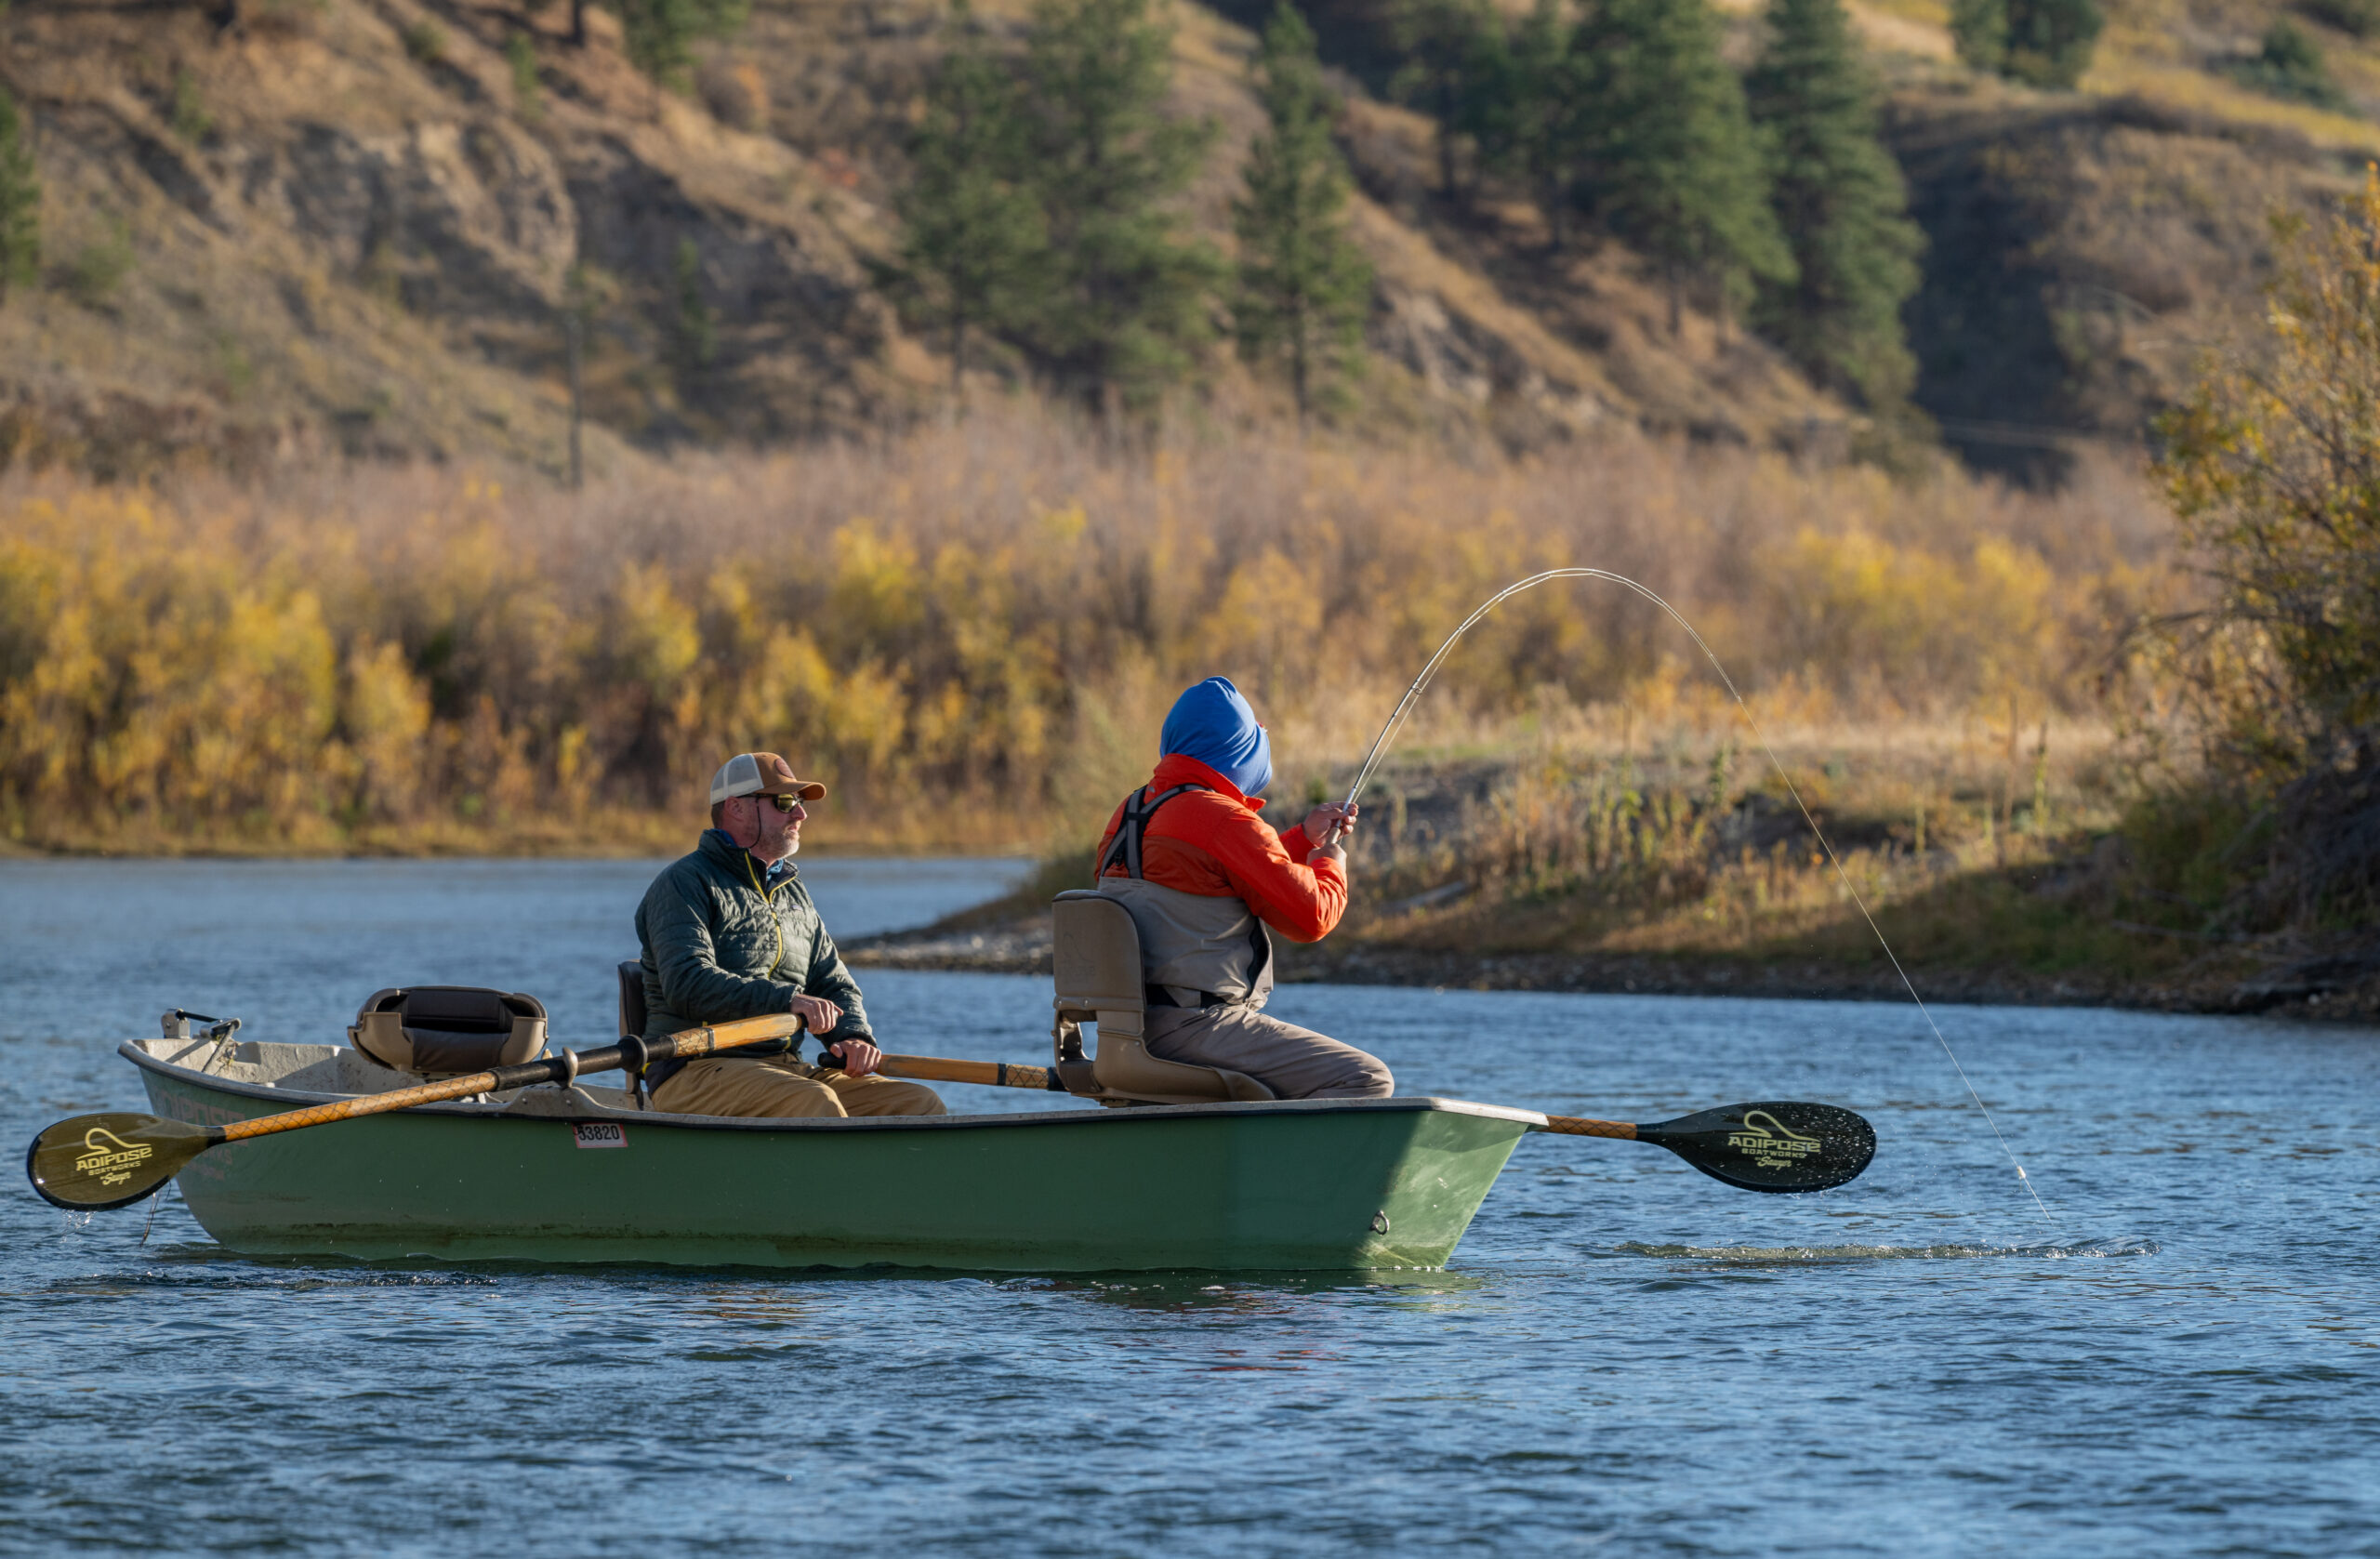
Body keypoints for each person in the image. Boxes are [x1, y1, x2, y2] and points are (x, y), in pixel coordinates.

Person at [1092, 678, 1393, 1100]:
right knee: (1365, 1079)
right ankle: (1286, 1168)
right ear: (1239, 750)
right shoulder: (1222, 818)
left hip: (1123, 1034)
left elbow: (1213, 880)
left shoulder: (1130, 811)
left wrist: (1302, 839)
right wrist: (1330, 860)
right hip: (1198, 1028)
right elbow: (1312, 919)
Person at [634, 751, 945, 1119]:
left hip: (783, 1067)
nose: (801, 814)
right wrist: (789, 1000)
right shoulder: (684, 883)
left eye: (798, 803)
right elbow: (688, 982)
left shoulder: (793, 894)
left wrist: (852, 1036)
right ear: (737, 808)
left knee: (919, 1104)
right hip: (694, 1069)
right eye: (785, 803)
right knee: (815, 1102)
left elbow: (832, 982)